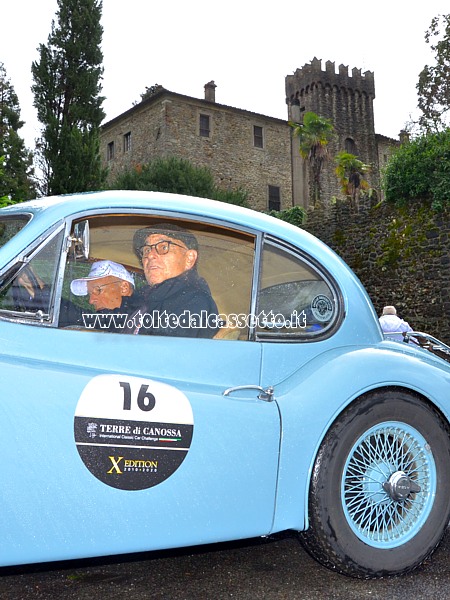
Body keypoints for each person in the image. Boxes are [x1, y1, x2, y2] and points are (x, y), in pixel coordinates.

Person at [128, 223, 219, 337]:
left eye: (163, 247)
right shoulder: (144, 300)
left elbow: (159, 352)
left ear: (189, 259)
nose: (150, 255)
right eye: (146, 250)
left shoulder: (192, 302)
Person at [70, 260, 135, 331]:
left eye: (98, 290)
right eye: (89, 294)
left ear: (124, 288)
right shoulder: (111, 327)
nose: (91, 301)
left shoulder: (141, 322)